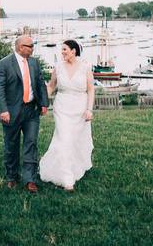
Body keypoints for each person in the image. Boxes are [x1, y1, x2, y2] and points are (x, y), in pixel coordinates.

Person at [0, 34, 49, 193]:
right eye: (30, 46)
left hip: (31, 111)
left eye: (32, 46)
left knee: (31, 143)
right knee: (11, 145)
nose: (32, 49)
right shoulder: (4, 64)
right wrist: (3, 109)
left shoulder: (34, 63)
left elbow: (40, 83)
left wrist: (44, 103)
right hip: (10, 112)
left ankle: (30, 179)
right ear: (20, 47)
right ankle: (12, 177)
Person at [39, 39, 95, 192]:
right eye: (62, 50)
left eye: (64, 49)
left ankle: (76, 166)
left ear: (73, 51)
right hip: (62, 108)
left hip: (80, 108)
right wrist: (42, 102)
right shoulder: (58, 67)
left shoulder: (85, 67)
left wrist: (89, 109)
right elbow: (51, 86)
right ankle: (67, 180)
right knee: (64, 140)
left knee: (75, 141)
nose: (62, 52)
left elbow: (90, 90)